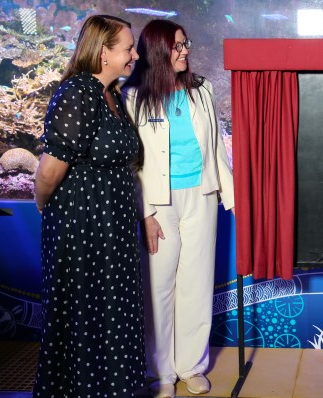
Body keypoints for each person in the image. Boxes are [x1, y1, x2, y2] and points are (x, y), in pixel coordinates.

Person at [33, 14, 145, 397]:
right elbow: (49, 171)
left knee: (112, 312)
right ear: (102, 53)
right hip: (80, 228)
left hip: (112, 226)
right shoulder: (78, 92)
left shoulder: (113, 95)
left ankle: (115, 389)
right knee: (82, 315)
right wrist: (43, 204)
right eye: (128, 48)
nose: (134, 54)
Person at [122, 19, 235, 398]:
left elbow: (217, 148)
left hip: (201, 196)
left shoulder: (202, 90)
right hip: (158, 203)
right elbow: (132, 162)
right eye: (178, 46)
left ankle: (192, 366)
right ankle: (161, 374)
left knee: (196, 284)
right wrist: (146, 212)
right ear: (158, 51)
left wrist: (230, 197)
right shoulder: (133, 97)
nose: (185, 50)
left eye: (186, 43)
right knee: (159, 287)